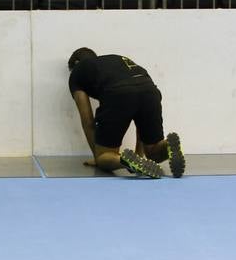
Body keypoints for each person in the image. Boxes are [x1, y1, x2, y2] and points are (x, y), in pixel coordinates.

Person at [67, 48, 185, 179]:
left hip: (118, 93)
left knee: (104, 157)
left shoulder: (78, 72)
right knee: (153, 153)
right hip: (150, 91)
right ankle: (168, 145)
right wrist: (140, 156)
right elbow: (140, 117)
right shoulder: (117, 59)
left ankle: (124, 161)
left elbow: (88, 121)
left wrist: (97, 156)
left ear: (76, 63)